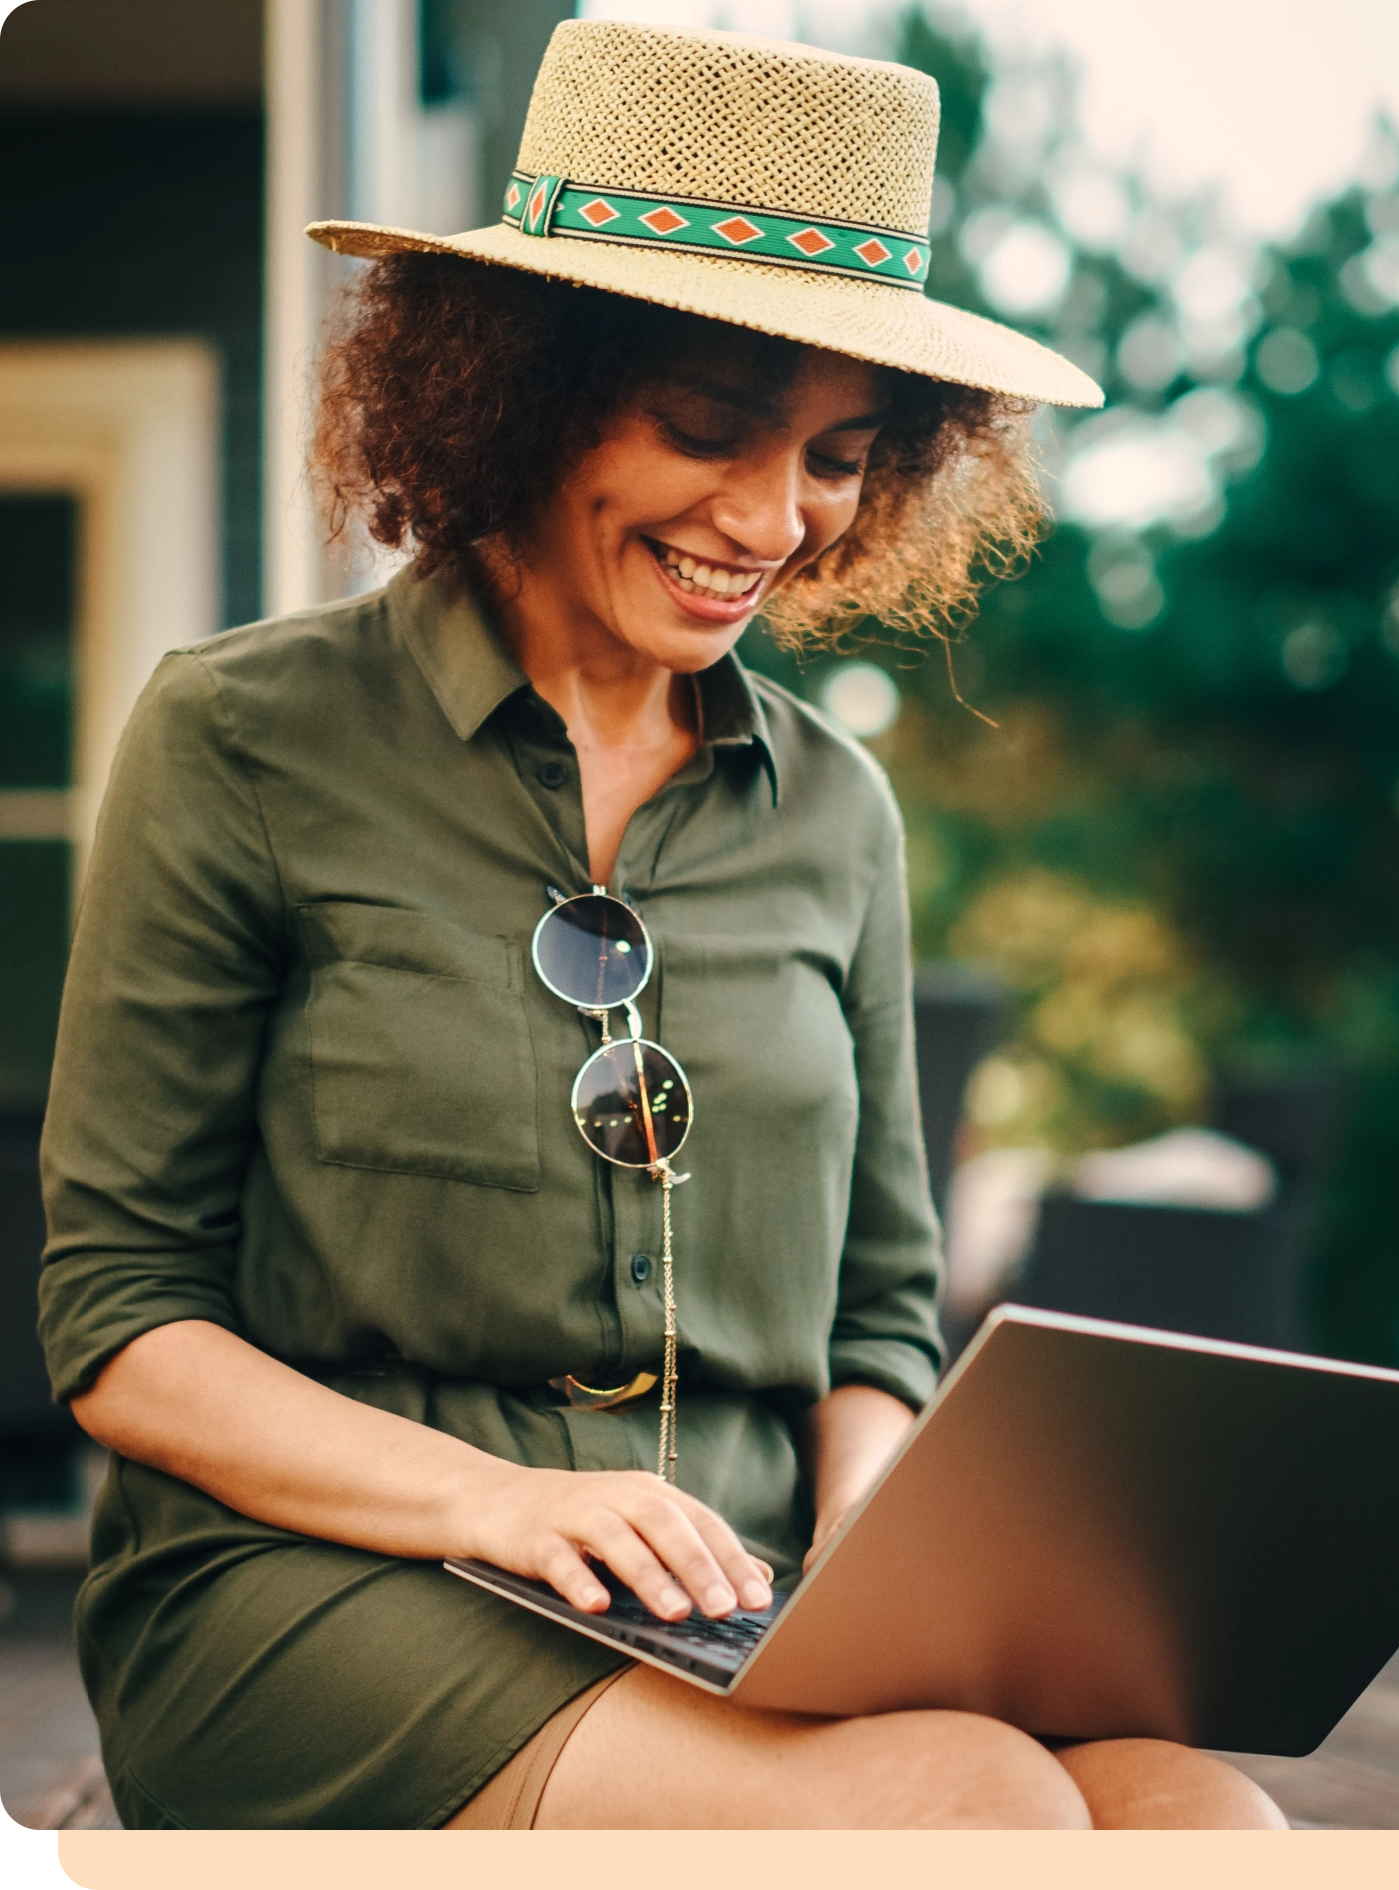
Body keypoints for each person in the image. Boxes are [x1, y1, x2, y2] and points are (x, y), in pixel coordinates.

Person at [39, 20, 1285, 1831]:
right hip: (322, 1591)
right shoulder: (240, 737)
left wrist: (877, 1525)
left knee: (1204, 1821)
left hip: (741, 1595)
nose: (771, 519)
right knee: (972, 1813)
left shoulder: (837, 812)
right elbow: (121, 1320)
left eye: (841, 456)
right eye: (707, 426)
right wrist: (505, 1505)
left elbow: (877, 1321)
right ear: (521, 390)